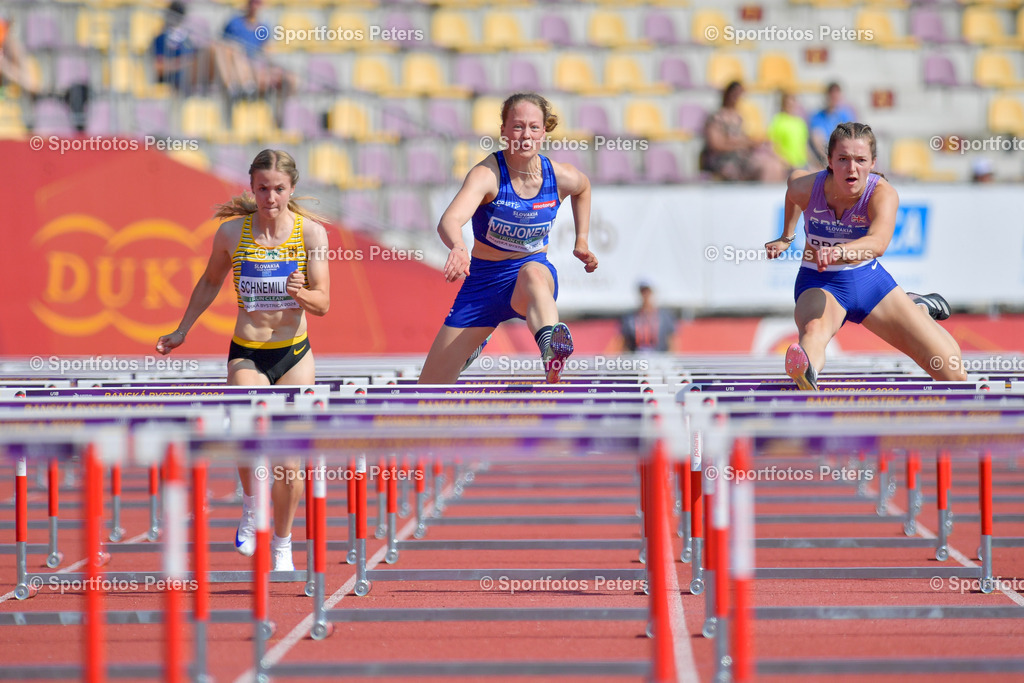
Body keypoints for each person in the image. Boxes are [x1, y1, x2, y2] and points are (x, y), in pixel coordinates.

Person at [156, 149, 330, 571]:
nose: (271, 197)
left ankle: (284, 544)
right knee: (250, 435)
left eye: (279, 189)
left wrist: (300, 293)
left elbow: (323, 303)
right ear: (251, 188)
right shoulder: (233, 233)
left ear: (292, 189)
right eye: (263, 189)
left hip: (294, 354)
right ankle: (254, 510)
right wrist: (182, 330)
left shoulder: (311, 235)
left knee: (290, 461)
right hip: (248, 353)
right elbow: (210, 281)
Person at [764, 122, 965, 390]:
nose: (852, 168)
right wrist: (786, 237)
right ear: (830, 162)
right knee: (814, 330)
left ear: (872, 163)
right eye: (843, 159)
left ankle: (916, 307)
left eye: (860, 160)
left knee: (954, 374)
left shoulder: (883, 194)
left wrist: (839, 252)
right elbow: (792, 193)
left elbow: (878, 243)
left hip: (870, 285)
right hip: (819, 281)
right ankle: (807, 373)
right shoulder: (807, 186)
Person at [417, 92, 599, 385]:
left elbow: (584, 188)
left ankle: (551, 350)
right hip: (483, 283)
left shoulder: (559, 176)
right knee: (429, 389)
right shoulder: (487, 175)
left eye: (533, 127)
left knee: (534, 275)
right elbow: (449, 220)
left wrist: (582, 240)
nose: (525, 135)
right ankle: (473, 344)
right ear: (503, 130)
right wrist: (459, 247)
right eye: (517, 126)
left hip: (529, 274)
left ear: (544, 132)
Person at [701, 81, 787, 182]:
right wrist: (741, 144)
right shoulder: (716, 117)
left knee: (775, 164)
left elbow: (743, 138)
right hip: (724, 160)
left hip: (741, 157)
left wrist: (753, 143)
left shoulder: (738, 117)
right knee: (765, 167)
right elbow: (716, 145)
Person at [213, 0, 295, 104]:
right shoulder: (234, 22)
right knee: (235, 51)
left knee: (290, 78)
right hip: (238, 64)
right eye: (253, 2)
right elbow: (223, 45)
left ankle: (283, 113)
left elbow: (267, 51)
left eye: (258, 3)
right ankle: (244, 87)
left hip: (255, 64)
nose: (255, 6)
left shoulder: (263, 27)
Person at [808, 82, 856, 166]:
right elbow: (817, 140)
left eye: (836, 96)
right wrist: (829, 157)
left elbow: (850, 137)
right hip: (824, 156)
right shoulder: (817, 117)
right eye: (832, 96)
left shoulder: (846, 115)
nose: (834, 99)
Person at [621, 281, 676, 352]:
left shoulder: (665, 316)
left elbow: (672, 340)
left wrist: (670, 358)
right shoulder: (630, 317)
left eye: (648, 292)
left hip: (659, 356)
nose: (646, 295)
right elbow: (624, 341)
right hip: (637, 356)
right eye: (643, 292)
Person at [767, 92, 810, 172]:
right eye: (787, 103)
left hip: (801, 164)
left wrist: (813, 162)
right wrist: (784, 162)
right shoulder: (778, 120)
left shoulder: (800, 122)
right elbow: (773, 146)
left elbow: (805, 146)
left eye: (792, 103)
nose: (790, 106)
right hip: (787, 165)